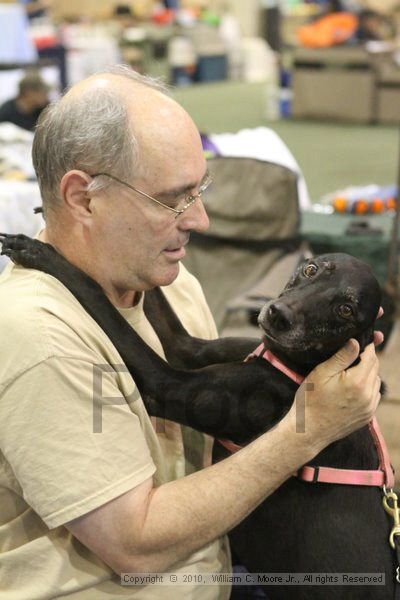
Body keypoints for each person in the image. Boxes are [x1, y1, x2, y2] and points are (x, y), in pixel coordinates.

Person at [0, 65, 382, 599]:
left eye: (199, 188)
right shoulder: (39, 336)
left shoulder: (168, 283)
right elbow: (134, 543)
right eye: (173, 198)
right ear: (83, 198)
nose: (200, 218)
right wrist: (311, 428)